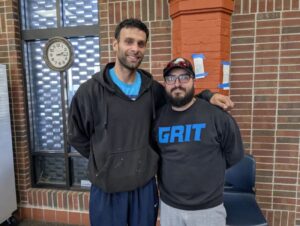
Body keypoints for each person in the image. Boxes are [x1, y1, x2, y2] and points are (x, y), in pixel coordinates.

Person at [67, 18, 234, 226]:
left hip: (143, 190)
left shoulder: (153, 90)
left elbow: (180, 99)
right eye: (129, 41)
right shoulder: (90, 92)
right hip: (107, 190)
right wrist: (103, 159)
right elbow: (77, 135)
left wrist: (207, 96)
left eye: (141, 43)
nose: (135, 49)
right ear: (115, 44)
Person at [153, 57, 244, 226]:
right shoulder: (158, 119)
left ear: (193, 81)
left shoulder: (217, 116)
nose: (177, 83)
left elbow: (233, 155)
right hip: (170, 207)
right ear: (165, 83)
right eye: (171, 78)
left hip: (208, 209)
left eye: (184, 77)